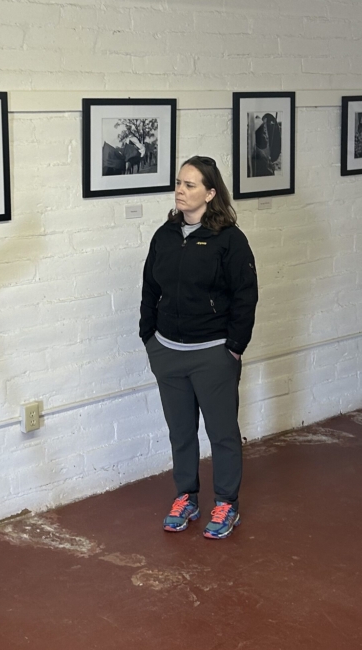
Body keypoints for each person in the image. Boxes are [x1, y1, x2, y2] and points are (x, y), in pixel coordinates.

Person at [139, 156, 258, 540]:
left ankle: (226, 502)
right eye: (178, 182)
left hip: (213, 353)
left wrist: (234, 347)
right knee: (181, 432)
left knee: (222, 433)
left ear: (210, 193)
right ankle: (186, 496)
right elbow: (149, 288)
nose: (180, 190)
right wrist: (149, 336)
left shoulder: (230, 240)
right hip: (168, 351)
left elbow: (246, 296)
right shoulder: (165, 235)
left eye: (190, 185)